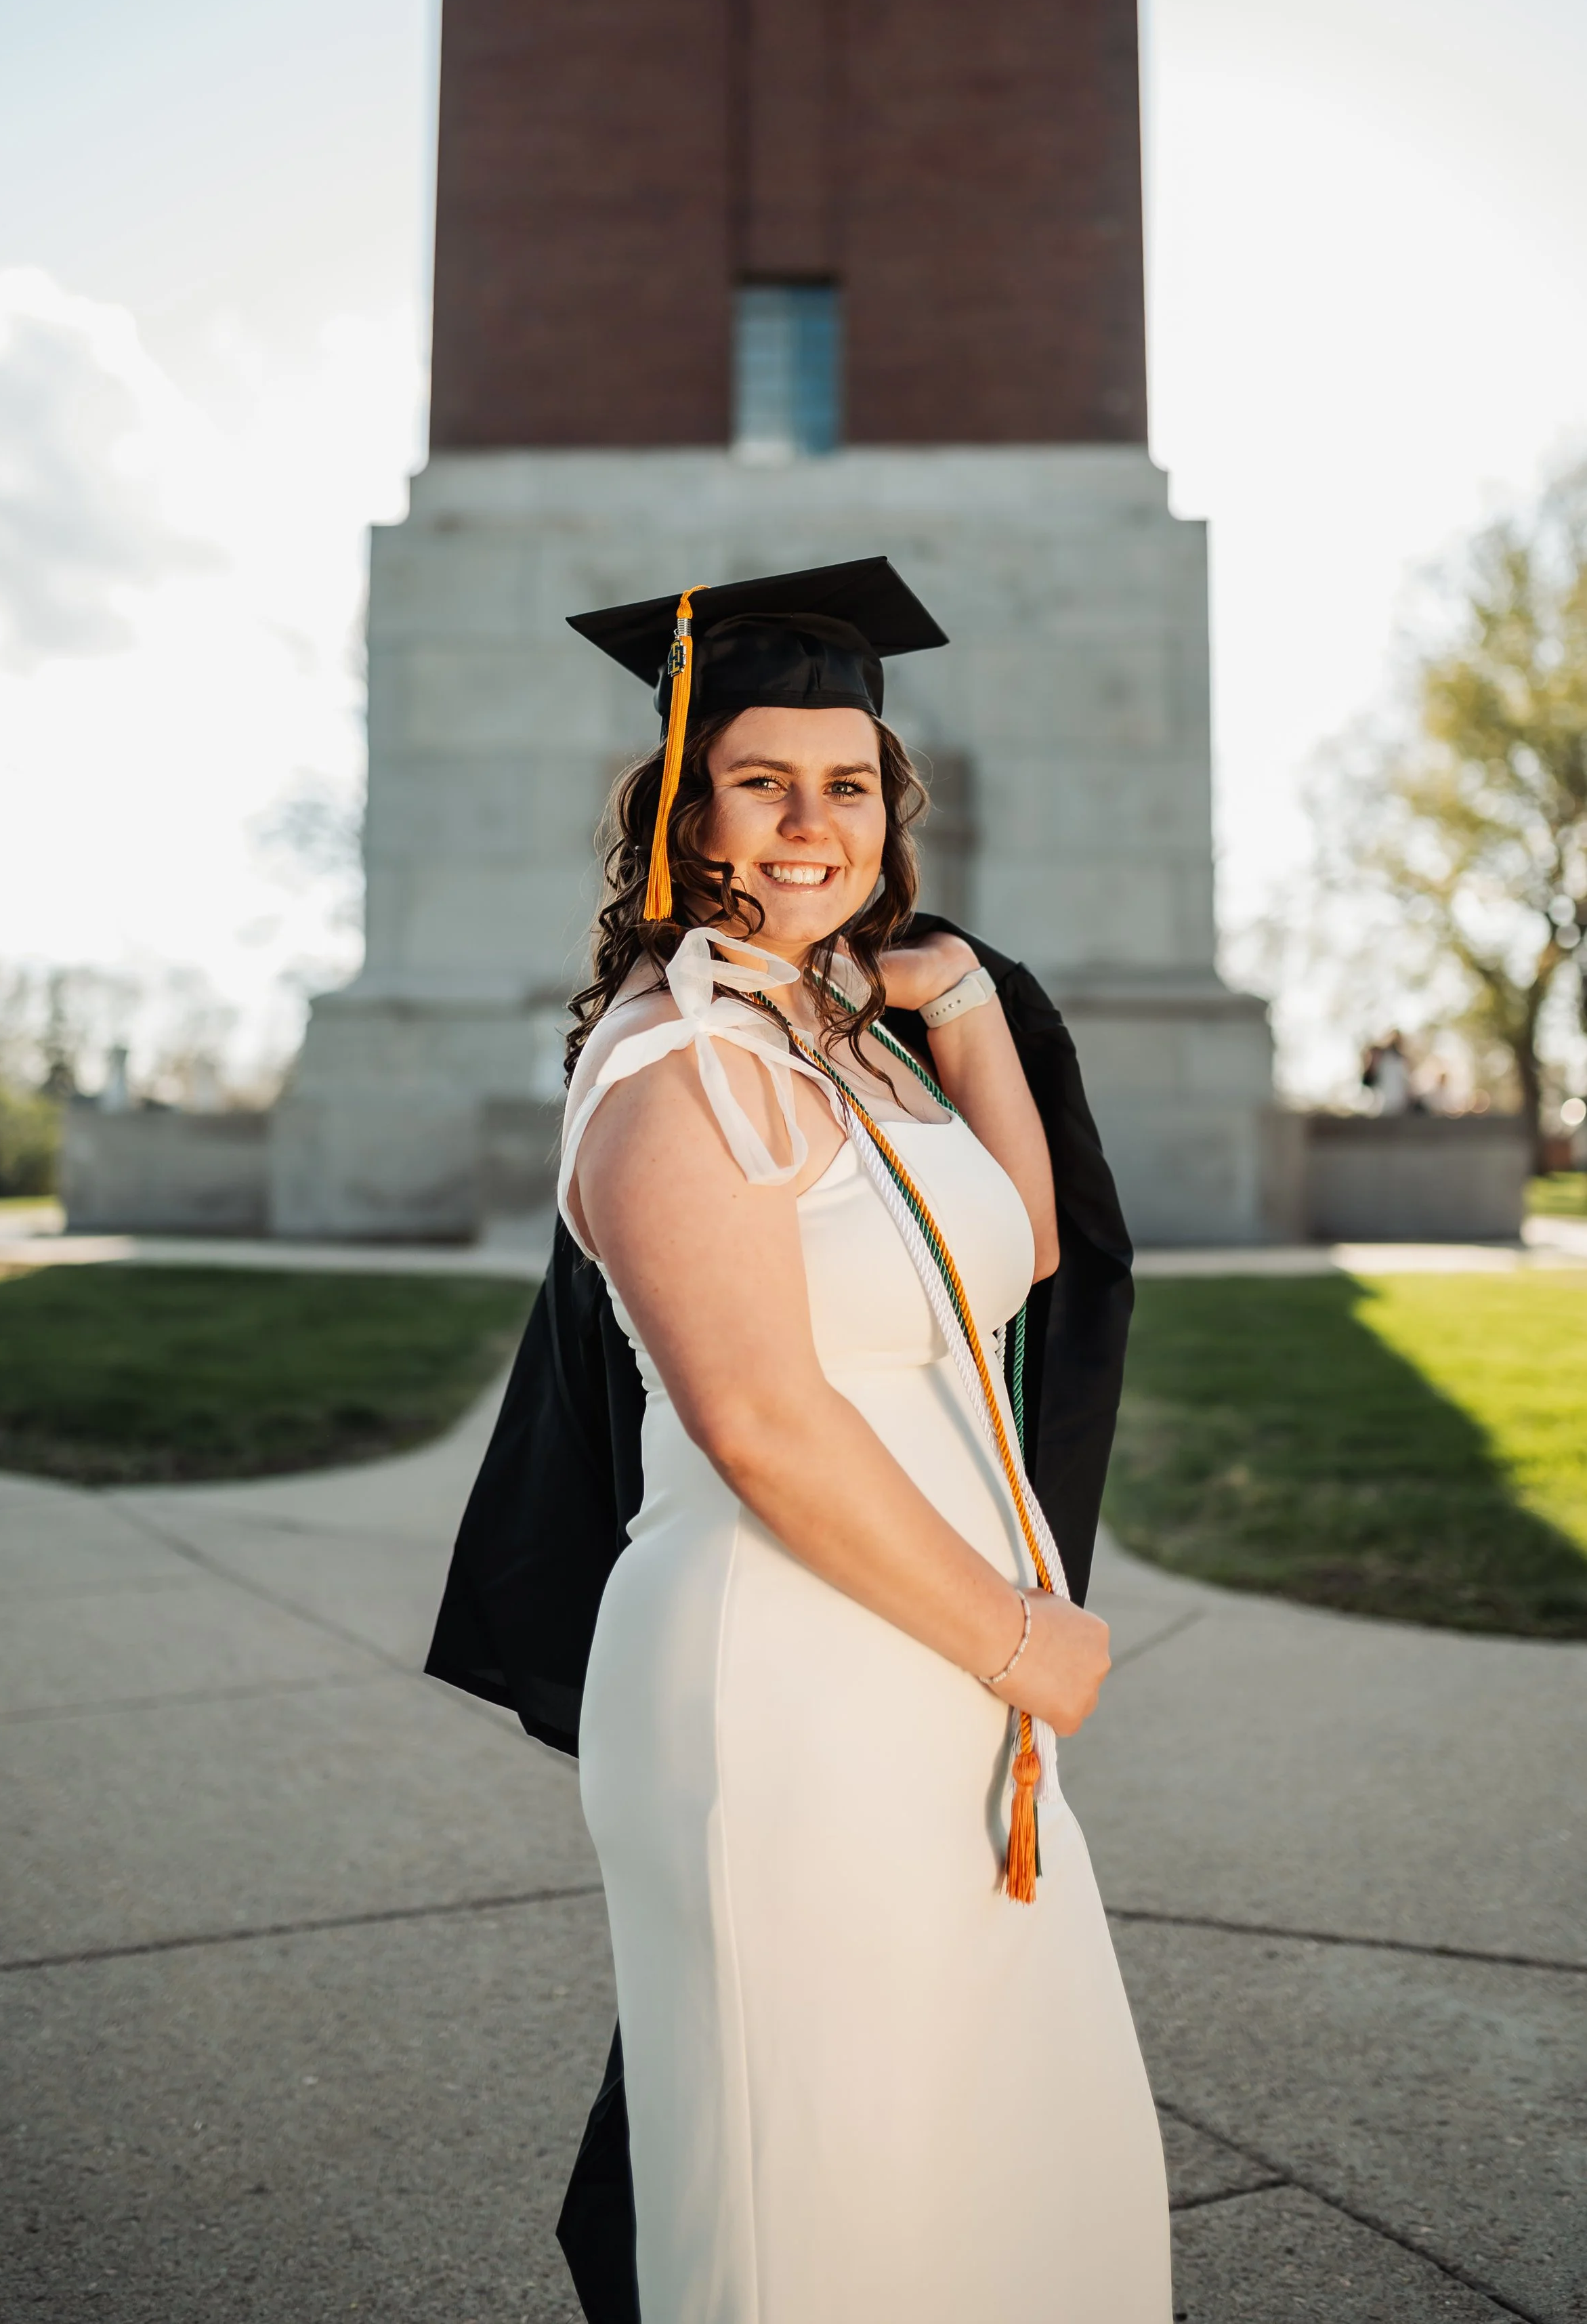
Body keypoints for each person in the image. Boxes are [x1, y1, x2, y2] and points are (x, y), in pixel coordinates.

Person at [431, 558, 1172, 2322]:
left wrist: (959, 1000)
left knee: (981, 2171)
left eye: (848, 783)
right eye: (759, 780)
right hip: (785, 1679)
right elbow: (760, 1419)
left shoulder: (844, 1039)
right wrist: (1021, 1637)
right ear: (681, 813)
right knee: (825, 2207)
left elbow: (1022, 1243)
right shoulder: (676, 1064)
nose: (809, 822)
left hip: (930, 1662)